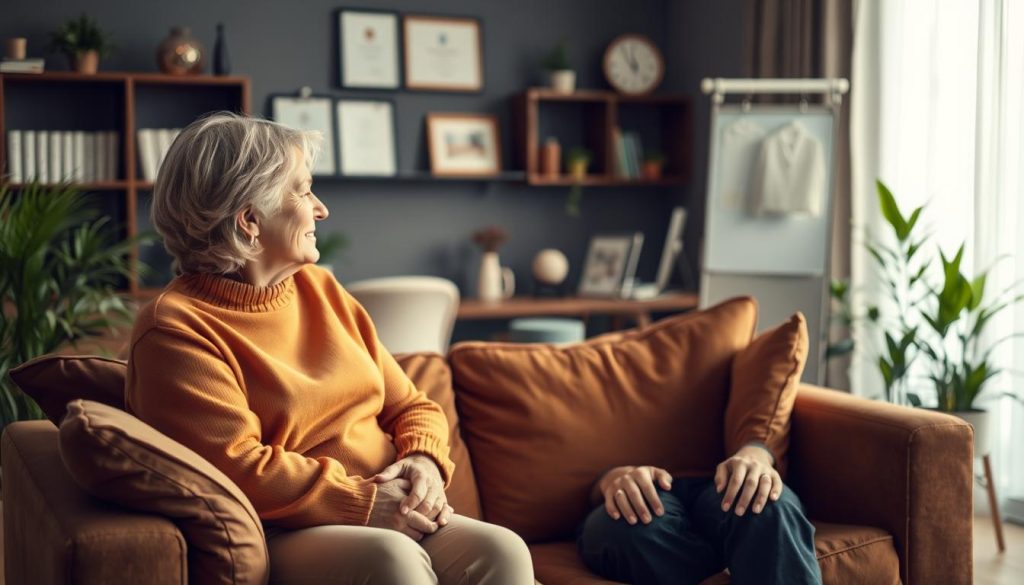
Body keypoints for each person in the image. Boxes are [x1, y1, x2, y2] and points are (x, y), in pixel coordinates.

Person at [125, 112, 534, 585]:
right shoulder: (175, 329)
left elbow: (412, 405)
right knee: (392, 561)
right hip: (285, 526)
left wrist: (422, 460)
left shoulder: (322, 289)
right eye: (301, 190)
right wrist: (360, 502)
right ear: (250, 219)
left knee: (502, 550)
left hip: (389, 505)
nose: (320, 209)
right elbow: (236, 466)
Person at [577, 442, 821, 585]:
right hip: (634, 486)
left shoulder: (730, 355)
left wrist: (755, 454)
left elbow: (765, 423)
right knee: (625, 527)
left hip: (719, 479)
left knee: (767, 505)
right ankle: (736, 556)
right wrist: (610, 479)